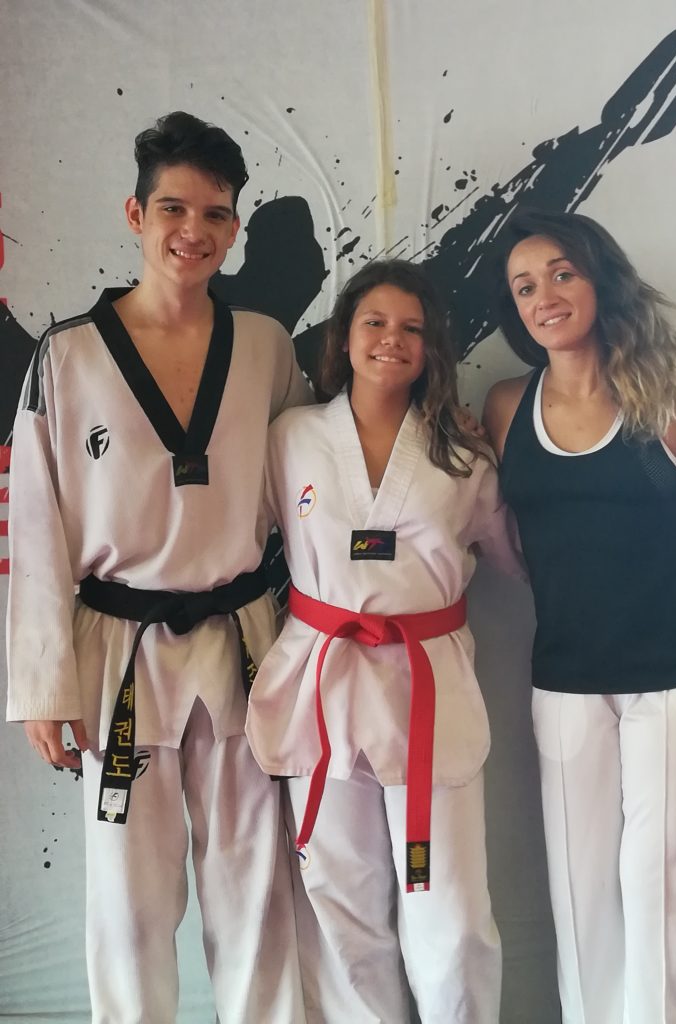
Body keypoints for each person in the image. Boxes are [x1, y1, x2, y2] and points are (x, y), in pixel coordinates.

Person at [6, 111, 310, 1023]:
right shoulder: (67, 355)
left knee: (257, 889)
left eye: (215, 214)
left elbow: (311, 496)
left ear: (236, 229)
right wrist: (43, 686)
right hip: (117, 653)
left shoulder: (266, 347)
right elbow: (37, 527)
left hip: (244, 644)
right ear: (135, 214)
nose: (193, 231)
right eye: (173, 208)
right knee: (130, 907)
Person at [483, 209, 676, 1024]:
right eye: (524, 286)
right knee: (581, 904)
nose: (545, 295)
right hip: (565, 683)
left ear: (599, 278)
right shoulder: (505, 406)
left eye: (562, 273)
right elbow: (495, 533)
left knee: (666, 891)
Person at [245, 259, 522, 1023]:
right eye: (374, 322)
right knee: (341, 900)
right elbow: (232, 539)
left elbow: (520, 557)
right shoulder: (290, 438)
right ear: (344, 336)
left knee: (452, 913)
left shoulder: (462, 454)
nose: (391, 340)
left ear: (432, 347)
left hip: (427, 691)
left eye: (411, 328)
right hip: (322, 685)